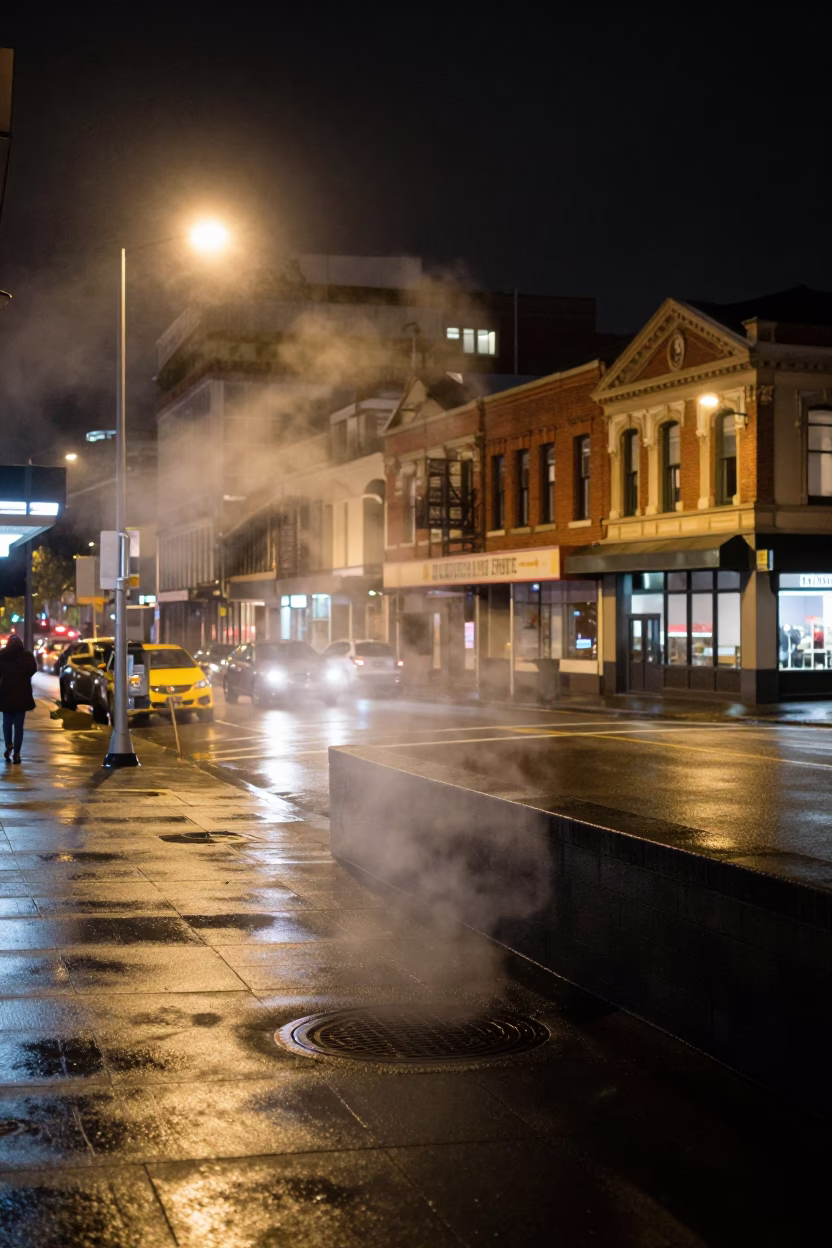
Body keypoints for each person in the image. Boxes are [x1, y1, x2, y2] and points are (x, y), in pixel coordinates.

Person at [0, 634, 38, 763]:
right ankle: (17, 753)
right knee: (19, 725)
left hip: (6, 693)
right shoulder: (26, 655)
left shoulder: (3, 655)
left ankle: (8, 744)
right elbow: (33, 669)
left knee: (6, 722)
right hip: (22, 694)